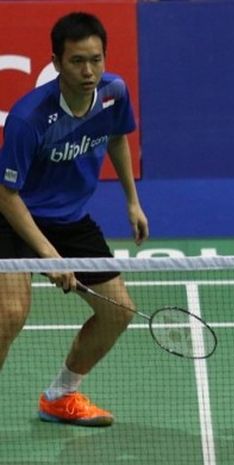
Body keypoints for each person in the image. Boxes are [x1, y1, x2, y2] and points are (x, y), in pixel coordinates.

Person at [0, 12, 148, 427]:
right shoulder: (29, 118)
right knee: (9, 315)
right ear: (57, 62)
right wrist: (49, 257)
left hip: (70, 219)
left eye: (96, 59)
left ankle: (59, 396)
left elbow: (117, 137)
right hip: (16, 217)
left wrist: (131, 202)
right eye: (77, 61)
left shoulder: (113, 93)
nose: (89, 71)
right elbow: (6, 194)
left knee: (118, 312)